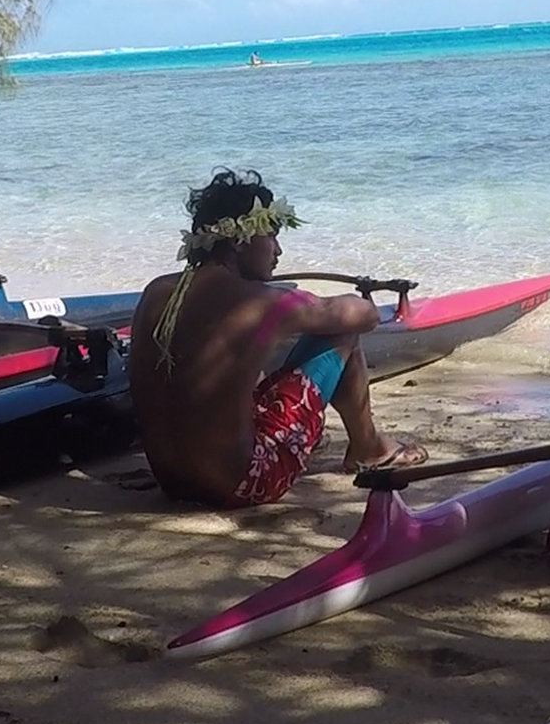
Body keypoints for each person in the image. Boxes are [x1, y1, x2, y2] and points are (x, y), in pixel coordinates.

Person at [129, 168, 424, 507]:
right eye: (271, 236)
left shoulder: (156, 292)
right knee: (342, 332)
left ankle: (354, 443)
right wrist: (299, 312)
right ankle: (369, 448)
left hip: (172, 482)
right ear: (240, 241)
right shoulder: (264, 302)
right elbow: (365, 315)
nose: (278, 251)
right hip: (242, 484)